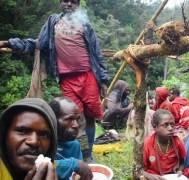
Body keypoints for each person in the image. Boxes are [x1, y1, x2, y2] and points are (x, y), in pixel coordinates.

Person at [0, 0, 108, 160]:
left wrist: (103, 79)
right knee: (75, 118)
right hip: (66, 78)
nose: (69, 4)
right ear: (60, 2)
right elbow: (38, 43)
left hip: (88, 75)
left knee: (91, 116)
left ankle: (89, 154)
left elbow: (96, 52)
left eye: (73, 2)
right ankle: (81, 154)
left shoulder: (85, 24)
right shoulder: (53, 22)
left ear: (78, 4)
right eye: (66, 1)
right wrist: (11, 43)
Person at [0, 98, 58, 179]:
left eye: (43, 135)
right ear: (5, 135)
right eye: (22, 131)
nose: (34, 142)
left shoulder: (51, 172)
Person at [142, 109, 189, 180]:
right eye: (165, 125)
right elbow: (140, 170)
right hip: (157, 176)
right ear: (155, 126)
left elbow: (182, 161)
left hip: (174, 175)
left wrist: (180, 170)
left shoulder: (177, 140)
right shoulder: (147, 143)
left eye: (172, 124)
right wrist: (150, 176)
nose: (170, 128)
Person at [49, 97, 93, 180]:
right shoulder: (44, 144)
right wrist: (73, 164)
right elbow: (43, 165)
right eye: (69, 119)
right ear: (52, 119)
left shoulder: (75, 146)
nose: (76, 125)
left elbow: (76, 174)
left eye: (77, 119)